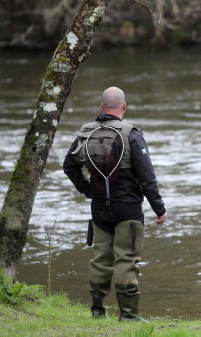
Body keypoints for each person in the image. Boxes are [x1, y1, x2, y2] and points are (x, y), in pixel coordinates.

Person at [63, 86, 168, 322]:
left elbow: (69, 166)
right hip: (127, 210)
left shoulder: (86, 134)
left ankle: (97, 312)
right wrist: (159, 210)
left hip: (99, 210)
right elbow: (147, 178)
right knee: (127, 260)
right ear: (124, 106)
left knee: (100, 260)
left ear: (102, 107)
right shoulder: (132, 135)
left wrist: (88, 189)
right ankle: (129, 315)